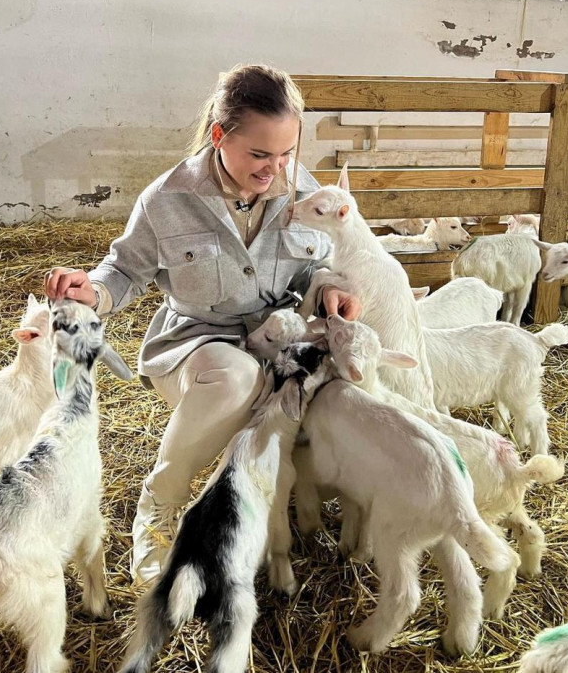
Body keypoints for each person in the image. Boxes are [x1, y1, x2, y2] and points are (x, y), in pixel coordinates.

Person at [44, 64, 360, 586]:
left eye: (286, 153)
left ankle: (260, 512)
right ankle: (161, 507)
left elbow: (323, 263)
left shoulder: (303, 190)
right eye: (259, 154)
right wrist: (91, 292)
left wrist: (331, 288)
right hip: (200, 344)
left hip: (282, 338)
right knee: (238, 378)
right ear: (218, 136)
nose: (276, 168)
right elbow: (123, 270)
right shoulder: (166, 199)